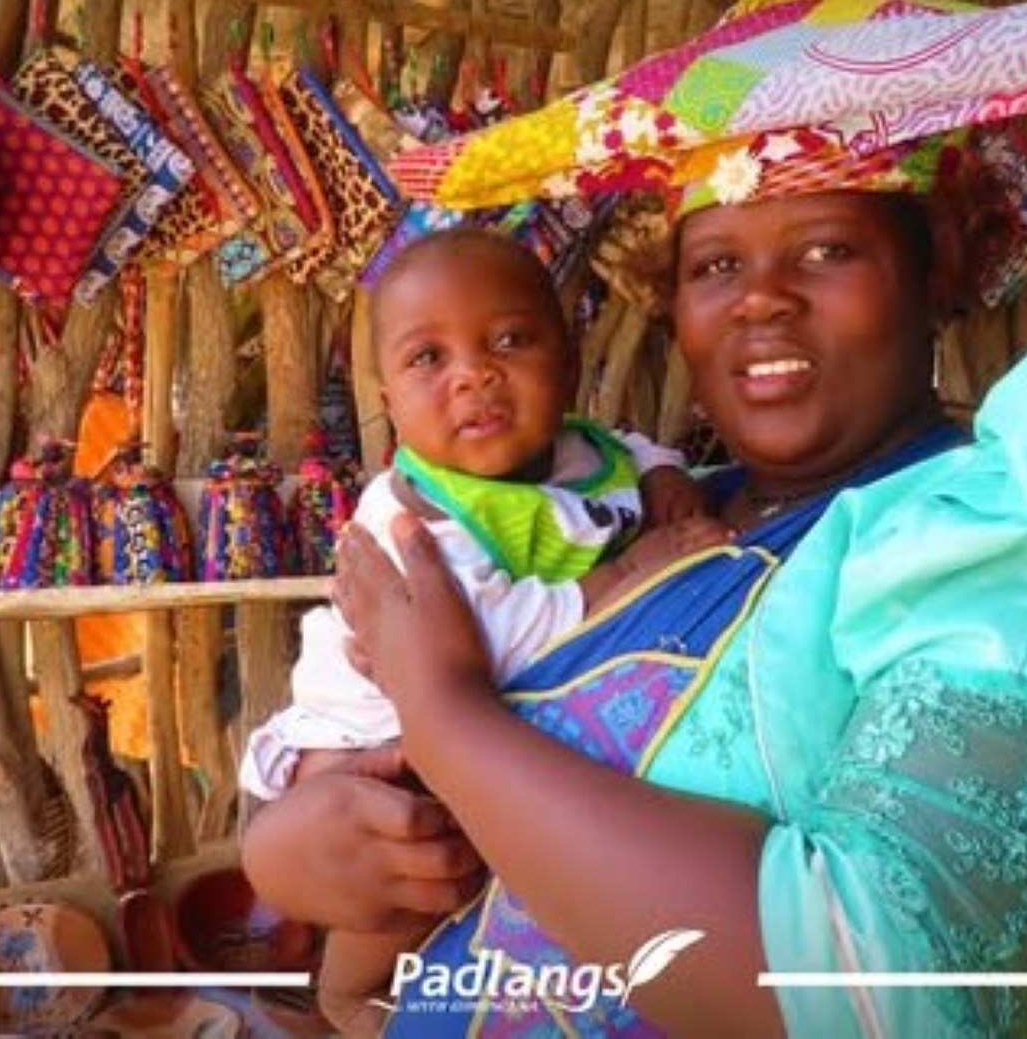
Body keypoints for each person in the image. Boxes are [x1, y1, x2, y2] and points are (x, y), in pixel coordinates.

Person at [240, 0, 1027, 1037]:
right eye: (716, 264)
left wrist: (448, 718)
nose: (761, 298)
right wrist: (297, 845)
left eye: (827, 250)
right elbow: (397, 788)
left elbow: (873, 991)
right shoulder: (656, 520)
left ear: (942, 271)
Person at [238, 228, 726, 1031]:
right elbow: (480, 632)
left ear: (567, 365)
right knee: (408, 871)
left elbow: (627, 450)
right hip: (370, 736)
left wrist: (667, 477)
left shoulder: (575, 452)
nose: (474, 373)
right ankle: (349, 993)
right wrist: (625, 576)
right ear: (389, 403)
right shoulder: (414, 514)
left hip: (459, 724)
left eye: (509, 339)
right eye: (429, 358)